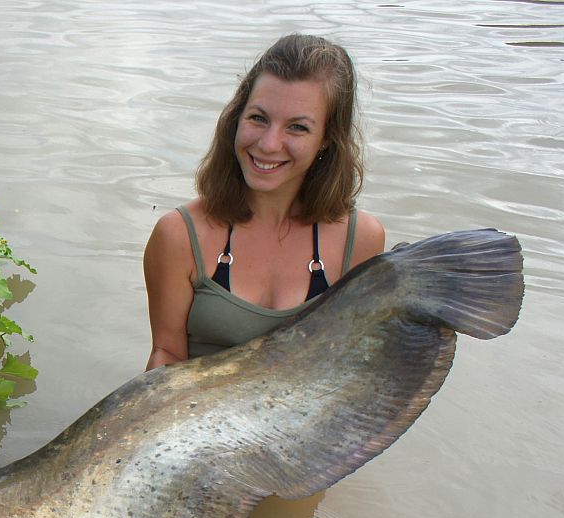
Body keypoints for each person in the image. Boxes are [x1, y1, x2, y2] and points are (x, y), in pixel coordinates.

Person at [143, 33, 386, 370]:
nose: (269, 144)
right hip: (198, 417)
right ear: (237, 118)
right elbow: (167, 355)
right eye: (258, 118)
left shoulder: (361, 240)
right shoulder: (179, 235)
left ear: (327, 139)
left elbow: (352, 366)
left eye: (297, 127)